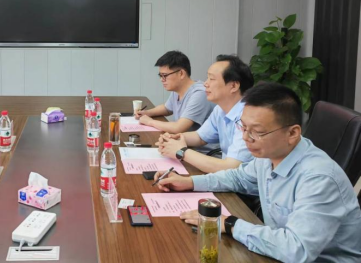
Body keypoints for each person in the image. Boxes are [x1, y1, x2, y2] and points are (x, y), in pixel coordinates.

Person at [155, 82, 361, 262]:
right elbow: (238, 177)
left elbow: (297, 250)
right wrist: (190, 182)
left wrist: (230, 224)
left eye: (257, 132)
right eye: (243, 127)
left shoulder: (319, 178)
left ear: (292, 133)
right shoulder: (268, 155)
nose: (246, 138)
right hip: (273, 253)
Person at [157, 55, 254, 173]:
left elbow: (231, 167)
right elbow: (200, 137)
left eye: (211, 79)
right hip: (224, 177)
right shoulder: (220, 109)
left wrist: (181, 151)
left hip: (238, 181)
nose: (205, 84)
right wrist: (173, 138)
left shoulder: (249, 117)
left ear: (233, 86)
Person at [135, 51, 214, 133]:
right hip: (183, 138)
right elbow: (167, 108)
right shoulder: (177, 89)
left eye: (165, 75)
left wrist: (150, 122)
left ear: (181, 74)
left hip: (198, 141)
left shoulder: (200, 94)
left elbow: (178, 127)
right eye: (160, 76)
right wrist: (147, 113)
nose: (161, 79)